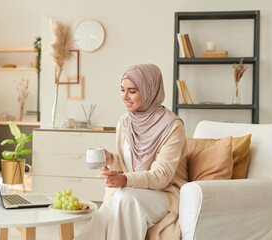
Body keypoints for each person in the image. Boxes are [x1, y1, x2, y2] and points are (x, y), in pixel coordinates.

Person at [75, 64, 188, 240]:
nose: (124, 97)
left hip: (165, 193)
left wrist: (126, 180)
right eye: (122, 90)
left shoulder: (173, 126)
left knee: (125, 197)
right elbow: (129, 165)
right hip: (131, 191)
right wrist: (112, 159)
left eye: (132, 91)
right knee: (113, 206)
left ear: (150, 90)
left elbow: (162, 175)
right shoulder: (125, 122)